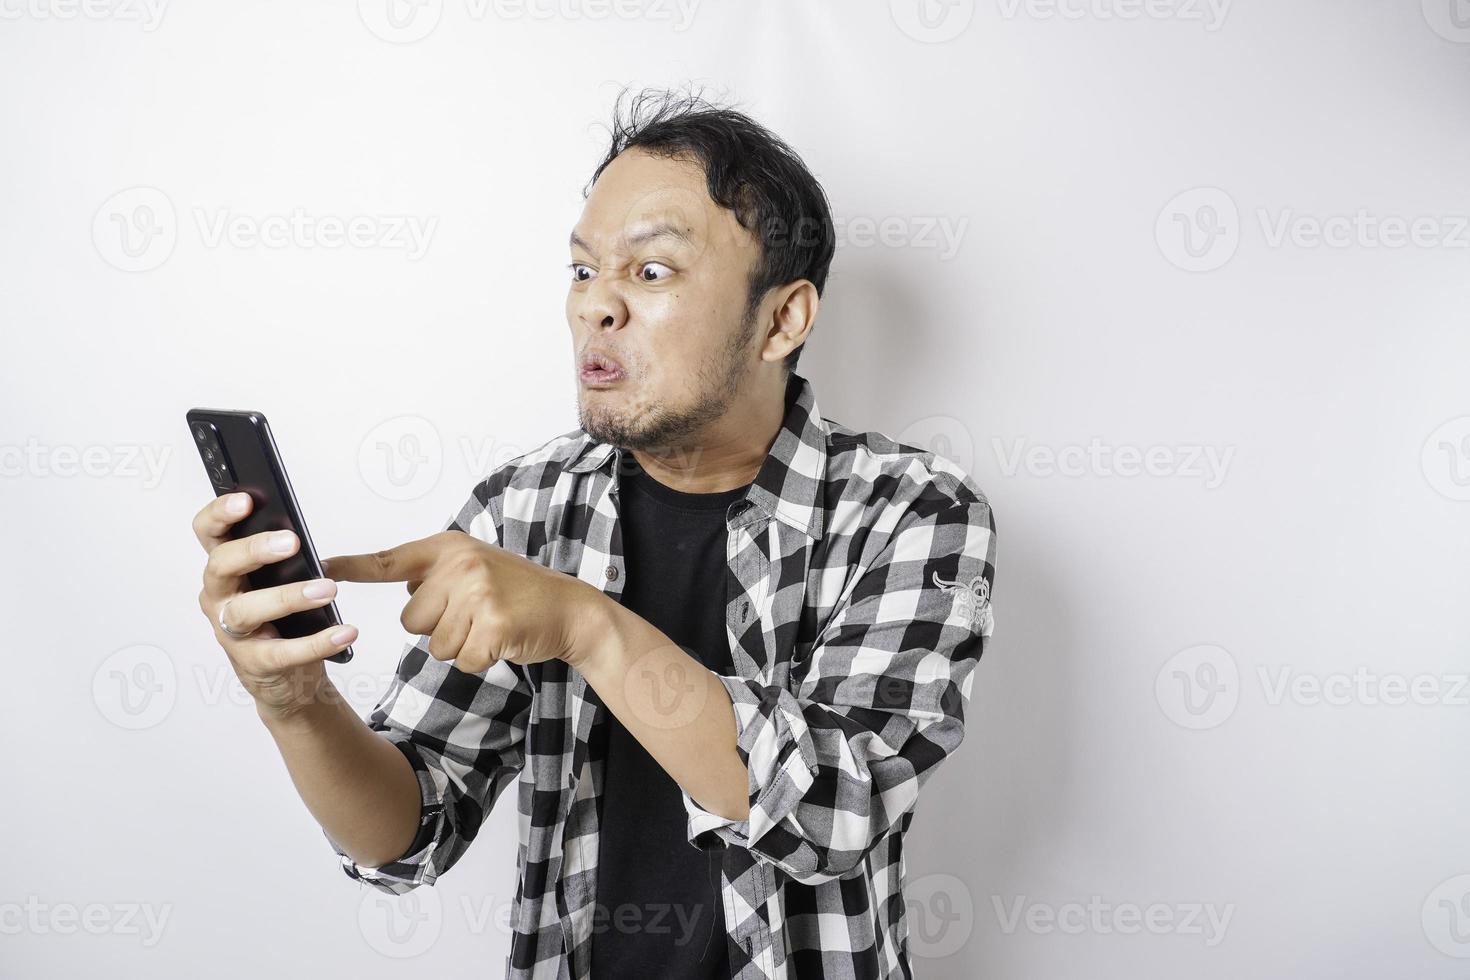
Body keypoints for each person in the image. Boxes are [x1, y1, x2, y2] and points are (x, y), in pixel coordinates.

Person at [191, 87, 997, 980]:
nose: (594, 308)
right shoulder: (524, 508)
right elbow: (410, 831)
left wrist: (583, 624)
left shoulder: (909, 511)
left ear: (783, 318)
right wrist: (296, 704)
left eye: (650, 272)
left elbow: (836, 810)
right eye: (582, 271)